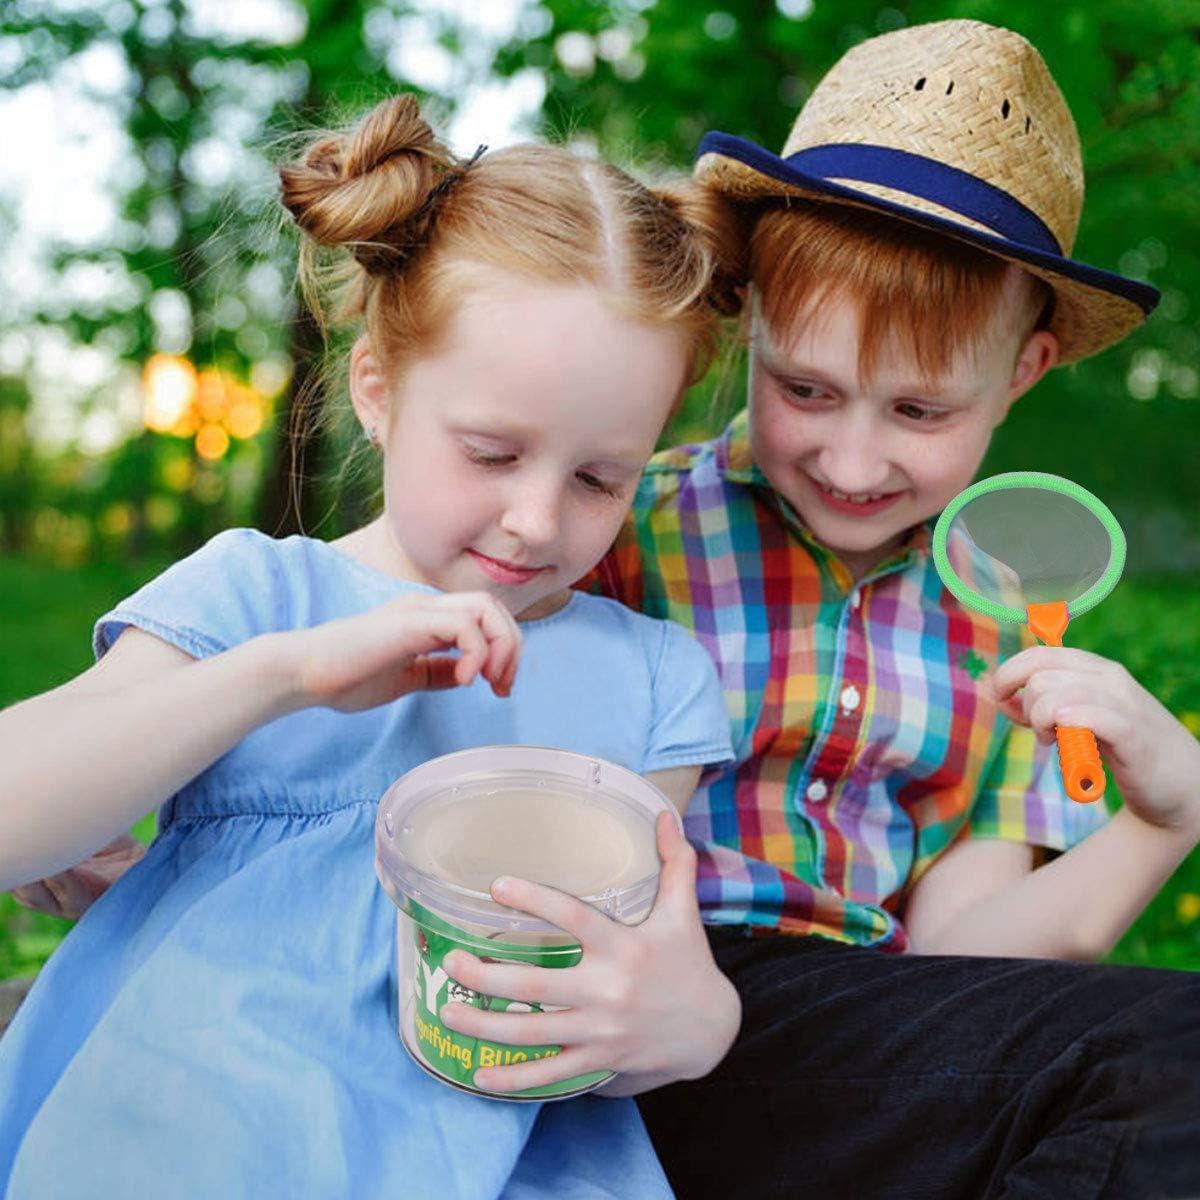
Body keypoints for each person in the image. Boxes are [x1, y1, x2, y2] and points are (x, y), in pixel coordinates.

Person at [0, 94, 746, 1198]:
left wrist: (697, 1022)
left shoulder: (652, 681)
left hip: (476, 1157)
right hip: (191, 1126)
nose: (538, 521)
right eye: (492, 451)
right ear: (378, 393)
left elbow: (647, 961)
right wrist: (285, 673)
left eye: (600, 478)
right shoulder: (262, 593)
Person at [582, 19, 1200, 1199]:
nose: (852, 458)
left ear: (1022, 372)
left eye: (920, 414)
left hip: (856, 1044)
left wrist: (1166, 821)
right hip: (634, 991)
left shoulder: (1009, 627)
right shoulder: (622, 525)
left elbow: (972, 953)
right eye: (804, 388)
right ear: (750, 310)